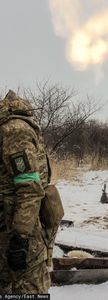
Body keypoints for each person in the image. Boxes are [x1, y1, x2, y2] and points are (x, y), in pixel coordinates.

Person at [0, 90, 63, 294]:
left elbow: (29, 188)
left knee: (28, 289)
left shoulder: (13, 131)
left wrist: (20, 238)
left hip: (18, 233)